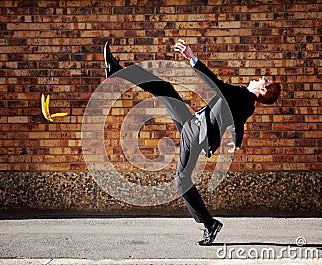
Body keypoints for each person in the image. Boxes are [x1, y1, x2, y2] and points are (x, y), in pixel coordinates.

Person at [103, 39, 281, 245]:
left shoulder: (243, 95)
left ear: (264, 91)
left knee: (182, 180)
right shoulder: (249, 104)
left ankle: (209, 224)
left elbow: (216, 84)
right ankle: (116, 70)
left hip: (195, 133)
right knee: (164, 88)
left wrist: (191, 57)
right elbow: (238, 123)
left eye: (264, 80)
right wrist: (237, 142)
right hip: (194, 127)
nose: (260, 78)